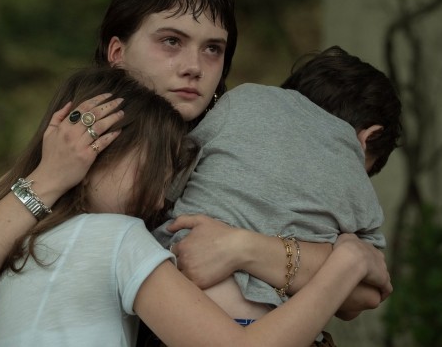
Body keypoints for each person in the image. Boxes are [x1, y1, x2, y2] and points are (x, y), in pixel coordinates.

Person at [0, 0, 386, 329]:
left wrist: (244, 248)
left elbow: (363, 293)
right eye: (171, 41)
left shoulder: (238, 152)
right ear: (117, 52)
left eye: (213, 49)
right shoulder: (73, 146)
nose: (193, 66)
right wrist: (49, 178)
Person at [0, 66, 392, 347]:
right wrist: (346, 262)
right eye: (156, 168)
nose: (162, 196)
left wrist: (243, 248)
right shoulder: (115, 237)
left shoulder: (32, 232)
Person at [152, 46, 402, 340]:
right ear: (367, 138)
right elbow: (371, 286)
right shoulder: (352, 171)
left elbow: (170, 182)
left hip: (180, 315)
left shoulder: (243, 100)